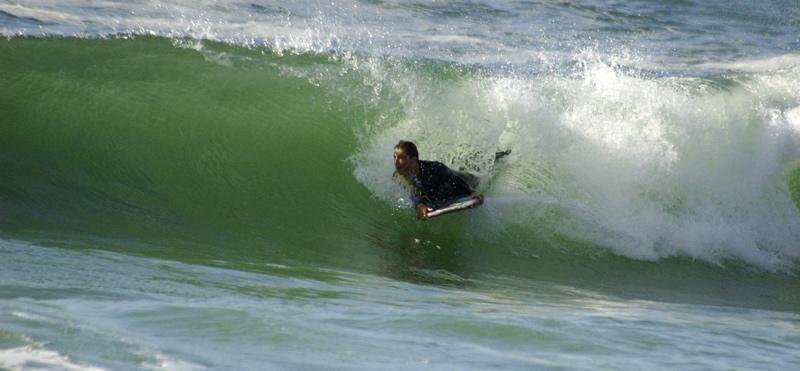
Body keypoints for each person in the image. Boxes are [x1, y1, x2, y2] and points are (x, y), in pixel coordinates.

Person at [393, 140, 484, 219]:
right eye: (395, 157)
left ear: (414, 159)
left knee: (475, 178)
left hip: (461, 181)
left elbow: (454, 179)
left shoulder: (434, 168)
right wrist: (419, 205)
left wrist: (471, 192)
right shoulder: (399, 176)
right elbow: (413, 192)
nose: (396, 162)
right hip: (438, 194)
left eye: (401, 158)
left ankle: (476, 164)